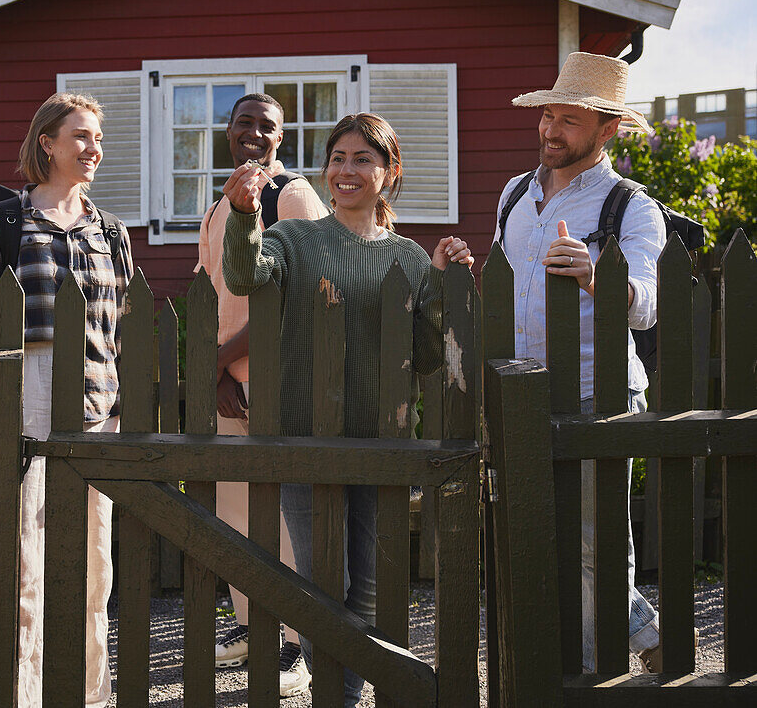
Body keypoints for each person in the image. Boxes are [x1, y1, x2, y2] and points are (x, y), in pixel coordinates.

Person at [223, 112, 473, 706]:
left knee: (369, 583)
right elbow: (241, 273)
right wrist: (240, 214)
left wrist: (439, 283)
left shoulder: (408, 258)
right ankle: (338, 695)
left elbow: (428, 356)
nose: (346, 170)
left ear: (388, 174)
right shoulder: (293, 238)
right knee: (318, 582)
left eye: (363, 159)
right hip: (302, 439)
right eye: (338, 158)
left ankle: (346, 692)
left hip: (381, 446)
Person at [496, 51, 668, 671]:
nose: (550, 129)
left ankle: (598, 674)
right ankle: (647, 634)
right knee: (541, 538)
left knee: (597, 544)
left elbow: (645, 305)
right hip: (523, 392)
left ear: (607, 131)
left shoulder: (631, 206)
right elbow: (506, 284)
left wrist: (599, 278)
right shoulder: (515, 194)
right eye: (548, 115)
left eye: (569, 120)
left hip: (602, 393)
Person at [0, 92, 132, 707]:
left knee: (95, 565)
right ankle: (24, 693)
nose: (93, 149)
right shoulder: (1, 225)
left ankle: (90, 694)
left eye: (97, 138)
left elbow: (121, 329)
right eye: (80, 137)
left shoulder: (111, 232)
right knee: (24, 562)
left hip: (96, 399)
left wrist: (116, 406)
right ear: (48, 143)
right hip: (25, 395)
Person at [195, 92, 324, 696]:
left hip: (282, 377)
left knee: (289, 512)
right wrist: (220, 374)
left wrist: (222, 363)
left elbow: (300, 295)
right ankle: (254, 631)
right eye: (243, 122)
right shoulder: (219, 207)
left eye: (265, 126)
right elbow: (214, 296)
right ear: (228, 130)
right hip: (230, 384)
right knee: (237, 513)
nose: (253, 133)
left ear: (281, 136)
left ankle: (298, 642)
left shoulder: (290, 196)